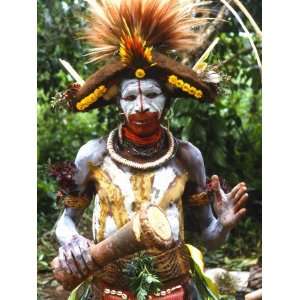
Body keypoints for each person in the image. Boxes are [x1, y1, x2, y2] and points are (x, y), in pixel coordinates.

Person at [54, 0, 248, 299]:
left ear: (168, 99)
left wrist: (222, 225)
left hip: (175, 289)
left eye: (153, 94)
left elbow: (210, 238)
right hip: (108, 290)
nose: (141, 107)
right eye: (130, 96)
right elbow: (66, 221)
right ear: (118, 103)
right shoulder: (93, 156)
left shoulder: (186, 156)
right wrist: (71, 241)